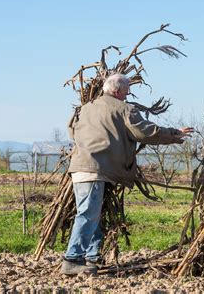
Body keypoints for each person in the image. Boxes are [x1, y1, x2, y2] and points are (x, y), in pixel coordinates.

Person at [61, 73, 193, 275]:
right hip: (95, 170)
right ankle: (72, 259)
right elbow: (146, 132)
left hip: (80, 168)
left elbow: (72, 131)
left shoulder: (85, 109)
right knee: (88, 214)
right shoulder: (124, 109)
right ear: (116, 91)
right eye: (126, 90)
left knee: (92, 214)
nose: (128, 93)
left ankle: (92, 256)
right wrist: (174, 134)